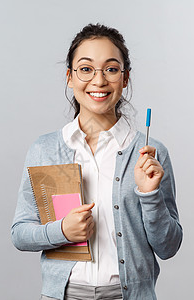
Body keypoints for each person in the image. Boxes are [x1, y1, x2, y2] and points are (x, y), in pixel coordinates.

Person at [11, 23, 182, 300]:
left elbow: (169, 246)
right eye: (86, 69)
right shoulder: (44, 149)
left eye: (111, 69)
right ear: (70, 77)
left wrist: (149, 195)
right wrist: (63, 230)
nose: (99, 81)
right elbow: (20, 233)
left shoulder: (149, 153)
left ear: (125, 79)